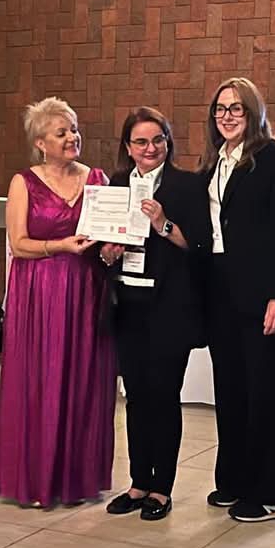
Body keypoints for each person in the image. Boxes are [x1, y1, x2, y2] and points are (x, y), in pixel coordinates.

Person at [0, 97, 115, 507]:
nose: (72, 137)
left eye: (73, 129)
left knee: (83, 380)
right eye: (61, 133)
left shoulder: (97, 179)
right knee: (40, 379)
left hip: (86, 291)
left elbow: (108, 234)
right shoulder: (23, 182)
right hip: (39, 294)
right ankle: (36, 476)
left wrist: (112, 247)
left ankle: (77, 478)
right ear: (41, 143)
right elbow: (18, 244)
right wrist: (59, 245)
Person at [99, 107, 212, 521]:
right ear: (128, 147)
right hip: (128, 303)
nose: (150, 148)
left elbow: (199, 246)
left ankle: (161, 488)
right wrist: (106, 252)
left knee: (163, 396)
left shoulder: (188, 185)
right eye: (141, 142)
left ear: (168, 142)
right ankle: (138, 482)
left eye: (158, 140)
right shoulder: (115, 185)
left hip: (170, 307)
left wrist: (163, 223)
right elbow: (101, 243)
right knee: (136, 396)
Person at [200, 77, 275, 523]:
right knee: (231, 388)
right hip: (221, 287)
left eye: (236, 108)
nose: (226, 116)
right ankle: (236, 480)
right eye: (220, 109)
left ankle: (273, 493)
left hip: (262, 291)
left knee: (266, 391)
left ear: (253, 112)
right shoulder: (214, 161)